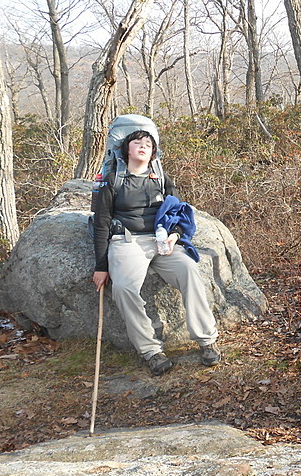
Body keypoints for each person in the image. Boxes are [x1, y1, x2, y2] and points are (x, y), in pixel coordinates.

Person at [91, 129, 221, 376]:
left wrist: (175, 236)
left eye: (148, 144)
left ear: (153, 152)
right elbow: (101, 222)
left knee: (189, 271)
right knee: (124, 288)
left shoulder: (161, 178)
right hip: (127, 242)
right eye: (137, 143)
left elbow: (179, 213)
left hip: (162, 242)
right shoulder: (112, 179)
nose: (143, 146)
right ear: (126, 149)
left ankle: (206, 340)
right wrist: (101, 266)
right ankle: (151, 350)